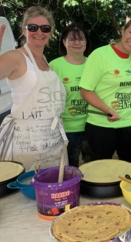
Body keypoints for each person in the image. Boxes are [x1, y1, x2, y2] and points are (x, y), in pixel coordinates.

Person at [0, 6, 67, 171]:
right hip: (26, 144)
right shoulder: (16, 57)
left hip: (52, 141)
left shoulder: (45, 60)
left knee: (53, 190)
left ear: (50, 32)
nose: (39, 32)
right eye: (33, 27)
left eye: (45, 28)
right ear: (23, 30)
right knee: (25, 194)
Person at [79, 19, 131, 165]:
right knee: (96, 173)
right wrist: (107, 109)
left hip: (130, 124)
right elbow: (85, 91)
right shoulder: (100, 55)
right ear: (123, 30)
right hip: (100, 126)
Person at [49, 24, 92, 167]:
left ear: (86, 42)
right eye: (72, 39)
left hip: (92, 125)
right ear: (63, 41)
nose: (77, 42)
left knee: (92, 167)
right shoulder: (54, 66)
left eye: (81, 39)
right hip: (66, 128)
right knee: (69, 169)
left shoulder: (94, 64)